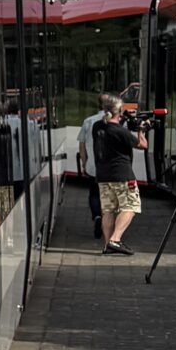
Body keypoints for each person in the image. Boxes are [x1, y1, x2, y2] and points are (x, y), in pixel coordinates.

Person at [91, 94, 142, 254]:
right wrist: (142, 130)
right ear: (119, 110)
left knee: (108, 210)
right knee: (131, 207)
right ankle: (115, 240)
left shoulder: (97, 126)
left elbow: (109, 125)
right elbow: (142, 145)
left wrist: (123, 118)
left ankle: (107, 245)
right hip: (122, 176)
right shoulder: (120, 131)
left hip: (103, 177)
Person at [74, 101, 106, 239]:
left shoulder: (88, 121)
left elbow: (81, 145)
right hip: (111, 168)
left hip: (93, 166)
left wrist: (84, 162)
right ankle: (107, 222)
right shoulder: (116, 121)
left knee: (94, 193)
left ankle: (97, 216)